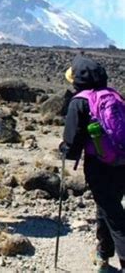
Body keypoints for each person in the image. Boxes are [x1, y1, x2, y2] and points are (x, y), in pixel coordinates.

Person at [61, 55, 125, 272]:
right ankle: (103, 254)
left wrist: (66, 151)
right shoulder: (115, 96)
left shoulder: (80, 101)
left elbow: (72, 141)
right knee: (107, 206)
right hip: (122, 161)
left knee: (114, 215)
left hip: (99, 165)